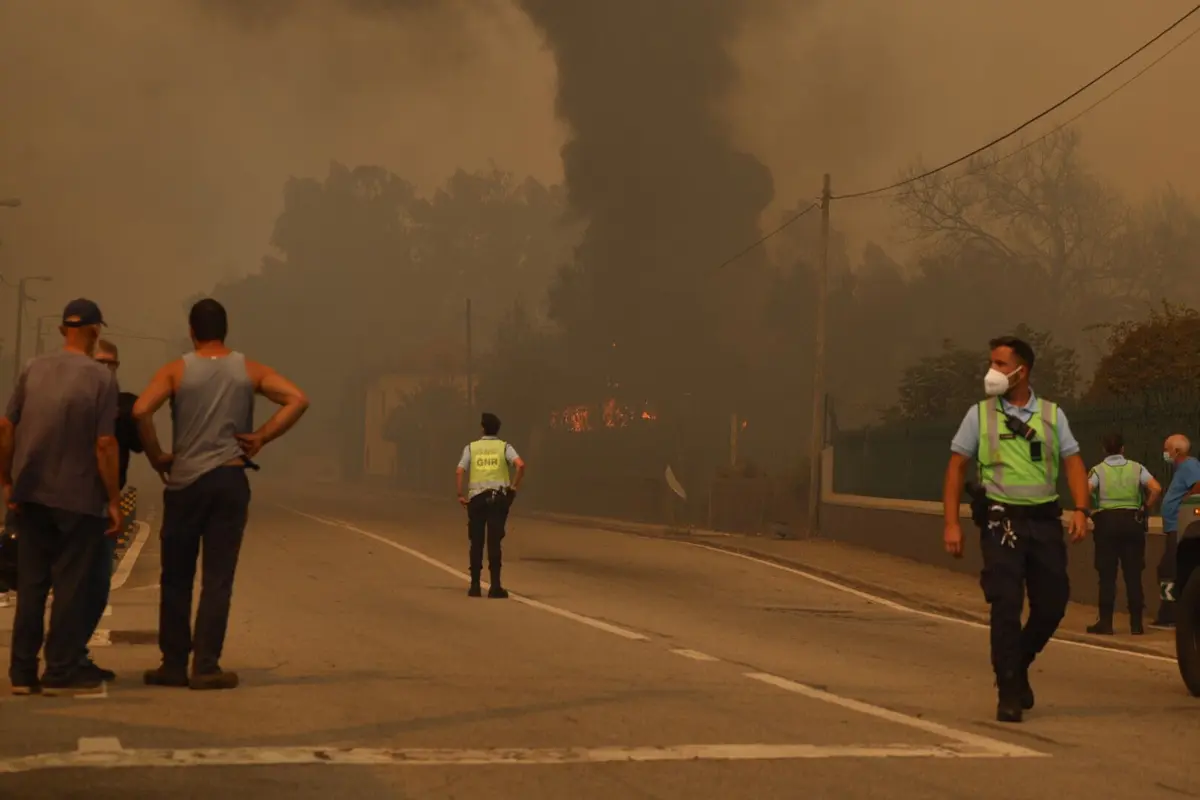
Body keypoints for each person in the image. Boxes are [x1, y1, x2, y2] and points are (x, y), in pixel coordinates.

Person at [133, 298, 308, 690]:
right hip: (228, 482)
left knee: (176, 576)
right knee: (217, 578)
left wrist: (158, 456)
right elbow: (298, 399)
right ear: (225, 330)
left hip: (184, 484)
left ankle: (173, 665)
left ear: (192, 331)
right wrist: (262, 435)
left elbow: (142, 411)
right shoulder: (248, 369)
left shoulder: (176, 370)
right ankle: (206, 665)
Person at [942, 335, 1089, 724]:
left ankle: (1019, 661)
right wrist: (952, 523)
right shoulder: (980, 415)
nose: (992, 371)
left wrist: (1081, 509)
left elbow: (1073, 462)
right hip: (1001, 522)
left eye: (1001, 364)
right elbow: (956, 468)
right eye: (991, 362)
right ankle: (1008, 689)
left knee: (1053, 604)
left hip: (1044, 522)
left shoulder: (1053, 416)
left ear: (1023, 370)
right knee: (1005, 605)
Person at [0, 299, 123, 696]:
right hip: (78, 498)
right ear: (95, 331)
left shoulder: (32, 368)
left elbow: (6, 427)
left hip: (31, 494)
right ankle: (60, 669)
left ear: (61, 330)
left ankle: (21, 673)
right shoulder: (102, 378)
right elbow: (105, 444)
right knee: (71, 586)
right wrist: (114, 500)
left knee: (32, 586)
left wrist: (7, 480)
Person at [77, 339, 145, 681]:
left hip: (101, 505)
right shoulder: (71, 400)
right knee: (69, 584)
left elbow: (139, 436)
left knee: (94, 584)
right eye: (99, 363)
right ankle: (63, 659)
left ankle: (71, 656)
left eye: (111, 365)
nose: (105, 370)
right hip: (73, 501)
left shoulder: (123, 405)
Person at [1085, 432, 1161, 636]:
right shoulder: (1137, 468)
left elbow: (1085, 490)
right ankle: (1136, 625)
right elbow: (1156, 488)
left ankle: (1106, 623)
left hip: (1106, 525)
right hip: (1132, 523)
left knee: (1107, 576)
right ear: (1122, 449)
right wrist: (1145, 507)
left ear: (1104, 449)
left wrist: (1089, 511)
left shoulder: (1098, 470)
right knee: (1133, 575)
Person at [455, 412, 525, 598]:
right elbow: (520, 465)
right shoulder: (504, 447)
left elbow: (460, 470)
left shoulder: (472, 447)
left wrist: (461, 494)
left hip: (476, 500)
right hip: (497, 500)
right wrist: (513, 487)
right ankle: (495, 586)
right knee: (494, 543)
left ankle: (475, 586)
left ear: (482, 428)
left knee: (476, 543)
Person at [1156, 434, 1200, 628]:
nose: (1165, 453)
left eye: (1167, 449)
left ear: (1176, 451)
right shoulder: (1182, 469)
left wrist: (1185, 502)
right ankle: (1169, 613)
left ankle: (1171, 615)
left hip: (1179, 527)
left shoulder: (1189, 465)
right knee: (1167, 569)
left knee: (1169, 569)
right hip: (1173, 526)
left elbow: (1198, 485)